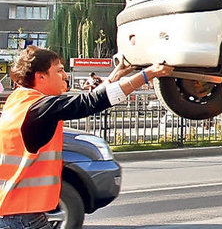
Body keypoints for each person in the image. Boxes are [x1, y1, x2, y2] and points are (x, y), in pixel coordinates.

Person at [0, 46, 173, 228]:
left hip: (14, 214)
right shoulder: (41, 108)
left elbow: (87, 98)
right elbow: (90, 103)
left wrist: (115, 76)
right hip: (22, 219)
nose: (65, 76)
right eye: (59, 71)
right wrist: (148, 74)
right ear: (40, 76)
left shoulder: (19, 101)